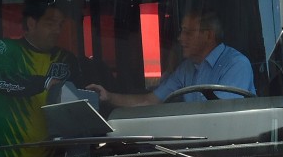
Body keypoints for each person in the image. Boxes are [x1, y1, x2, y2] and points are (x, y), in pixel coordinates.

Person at [88, 9, 255, 108]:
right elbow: (149, 101)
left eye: (188, 33)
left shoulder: (236, 65)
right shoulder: (186, 69)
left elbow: (222, 116)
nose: (180, 39)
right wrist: (108, 96)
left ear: (208, 35)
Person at [0, 0, 82, 157]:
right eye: (50, 24)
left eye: (60, 24)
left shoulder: (67, 59)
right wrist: (45, 83)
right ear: (31, 23)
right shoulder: (7, 48)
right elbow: (0, 79)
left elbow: (77, 104)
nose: (57, 30)